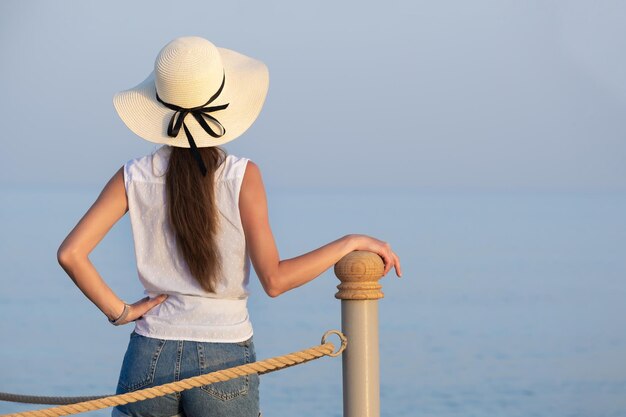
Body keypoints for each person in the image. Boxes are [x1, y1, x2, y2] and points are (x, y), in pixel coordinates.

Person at [57, 36, 402, 417]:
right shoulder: (241, 176)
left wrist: (121, 311)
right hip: (224, 358)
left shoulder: (133, 176)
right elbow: (275, 280)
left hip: (149, 354)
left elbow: (71, 254)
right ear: (222, 106)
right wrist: (348, 241)